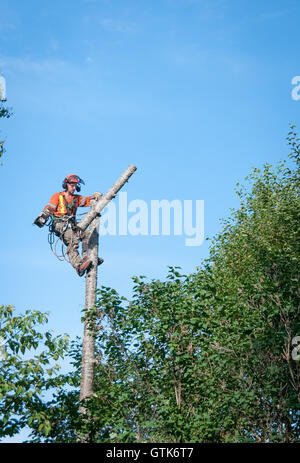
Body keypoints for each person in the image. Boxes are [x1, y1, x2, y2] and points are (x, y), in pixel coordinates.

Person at [34, 174, 102, 276]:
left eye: (75, 186)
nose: (73, 188)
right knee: (72, 239)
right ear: (66, 185)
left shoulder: (76, 198)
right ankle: (79, 266)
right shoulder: (58, 196)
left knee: (87, 234)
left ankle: (87, 257)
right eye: (72, 185)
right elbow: (50, 207)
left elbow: (88, 200)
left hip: (72, 224)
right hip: (59, 224)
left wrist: (97, 196)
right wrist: (43, 216)